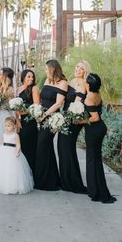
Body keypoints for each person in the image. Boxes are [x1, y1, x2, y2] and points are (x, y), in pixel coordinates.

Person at [76, 73, 117, 203]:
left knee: (91, 160)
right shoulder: (97, 94)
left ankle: (95, 192)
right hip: (100, 129)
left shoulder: (89, 98)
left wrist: (79, 121)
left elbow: (95, 117)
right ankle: (98, 189)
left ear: (88, 84)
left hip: (94, 130)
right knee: (95, 160)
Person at [57, 60, 90, 193]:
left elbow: (77, 104)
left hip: (73, 120)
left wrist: (66, 118)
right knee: (63, 148)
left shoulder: (83, 84)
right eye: (77, 66)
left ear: (85, 71)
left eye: (81, 68)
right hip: (65, 118)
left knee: (67, 149)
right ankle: (66, 180)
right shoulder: (71, 81)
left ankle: (73, 183)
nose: (78, 69)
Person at [35, 59, 68, 190]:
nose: (45, 70)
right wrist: (38, 112)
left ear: (52, 68)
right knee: (45, 147)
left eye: (46, 68)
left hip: (53, 118)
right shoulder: (47, 81)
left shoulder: (63, 83)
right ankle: (49, 179)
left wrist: (44, 115)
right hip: (42, 115)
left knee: (43, 145)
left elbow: (59, 103)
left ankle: (45, 181)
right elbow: (42, 98)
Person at [0, 116, 34, 195]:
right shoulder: (4, 134)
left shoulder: (15, 135)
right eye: (6, 126)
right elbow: (2, 143)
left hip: (12, 153)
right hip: (4, 153)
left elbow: (18, 144)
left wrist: (17, 151)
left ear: (14, 126)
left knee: (13, 169)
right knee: (5, 169)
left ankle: (15, 186)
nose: (7, 127)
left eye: (9, 126)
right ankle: (4, 185)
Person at [16, 69, 40, 174]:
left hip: (29, 121)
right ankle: (23, 173)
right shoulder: (17, 89)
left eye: (32, 77)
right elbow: (14, 108)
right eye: (28, 76)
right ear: (23, 77)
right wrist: (17, 120)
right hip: (19, 122)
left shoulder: (34, 89)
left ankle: (31, 172)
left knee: (29, 147)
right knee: (21, 146)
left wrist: (23, 112)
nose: (31, 79)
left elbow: (36, 106)